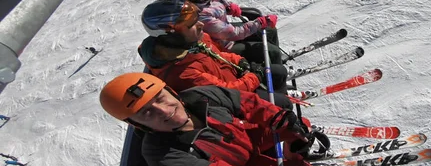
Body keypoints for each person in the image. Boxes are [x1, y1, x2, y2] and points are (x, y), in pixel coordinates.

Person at [99, 73, 328, 166]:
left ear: (171, 91)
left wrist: (283, 122)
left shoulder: (200, 96)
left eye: (160, 97)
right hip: (240, 162)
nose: (164, 111)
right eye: (146, 112)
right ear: (139, 125)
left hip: (245, 139)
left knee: (298, 127)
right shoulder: (163, 153)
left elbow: (247, 103)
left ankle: (297, 149)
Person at [139, 0, 291, 109]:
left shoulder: (194, 40)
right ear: (171, 35)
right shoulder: (183, 73)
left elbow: (219, 54)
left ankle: (280, 91)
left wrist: (239, 61)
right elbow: (226, 92)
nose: (200, 25)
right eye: (191, 24)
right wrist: (254, 77)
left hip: (238, 77)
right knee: (284, 104)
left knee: (277, 72)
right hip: (235, 99)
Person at [168, 0, 284, 65]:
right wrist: (260, 22)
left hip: (224, 34)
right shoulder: (199, 16)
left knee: (271, 32)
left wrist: (227, 6)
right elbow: (234, 33)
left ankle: (275, 61)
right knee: (271, 51)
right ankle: (276, 77)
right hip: (225, 47)